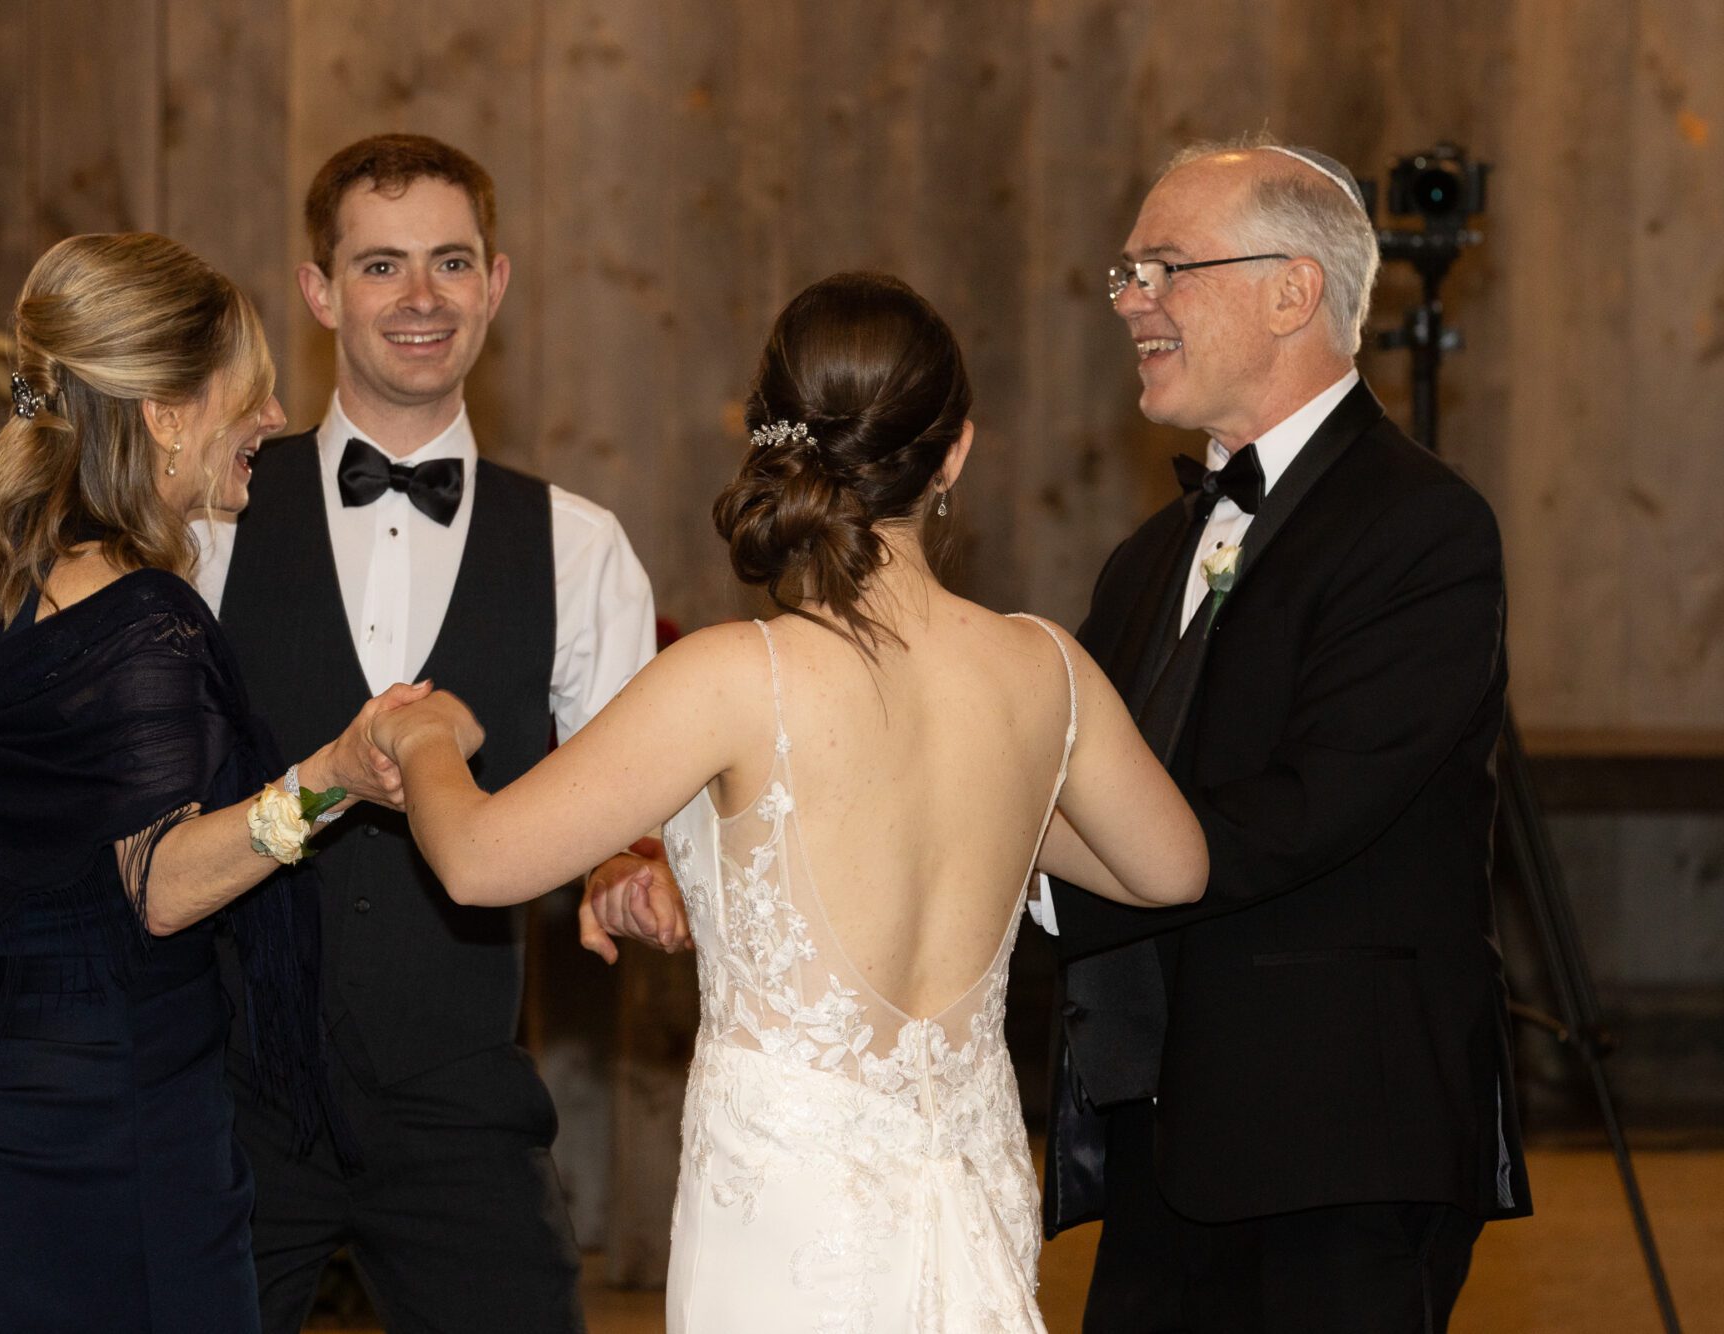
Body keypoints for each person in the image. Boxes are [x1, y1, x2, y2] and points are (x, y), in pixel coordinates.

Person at [367, 272, 1209, 1333]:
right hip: (973, 1198)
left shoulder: (737, 676)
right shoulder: (1045, 667)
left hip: (786, 1227)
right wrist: (1003, 806)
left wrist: (424, 737)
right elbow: (1171, 868)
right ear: (953, 452)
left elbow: (477, 860)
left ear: (773, 442)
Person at [0, 232, 415, 1334]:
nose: (275, 417)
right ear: (166, 414)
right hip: (124, 1121)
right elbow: (161, 887)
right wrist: (330, 780)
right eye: (250, 391)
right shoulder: (147, 621)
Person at [1034, 136, 1531, 1332]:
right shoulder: (1145, 557)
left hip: (1337, 1141)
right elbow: (1063, 777)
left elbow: (1308, 809)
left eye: (1164, 267)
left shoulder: (1421, 528)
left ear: (1289, 291)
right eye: (1125, 272)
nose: (1130, 301)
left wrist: (1034, 882)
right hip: (1159, 1133)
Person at [194, 133, 659, 1333]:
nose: (420, 297)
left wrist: (620, 866)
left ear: (493, 284)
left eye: (450, 262)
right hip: (234, 1090)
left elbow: (623, 803)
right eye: (380, 265)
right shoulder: (211, 520)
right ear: (319, 290)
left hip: (459, 1096)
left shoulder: (578, 545)